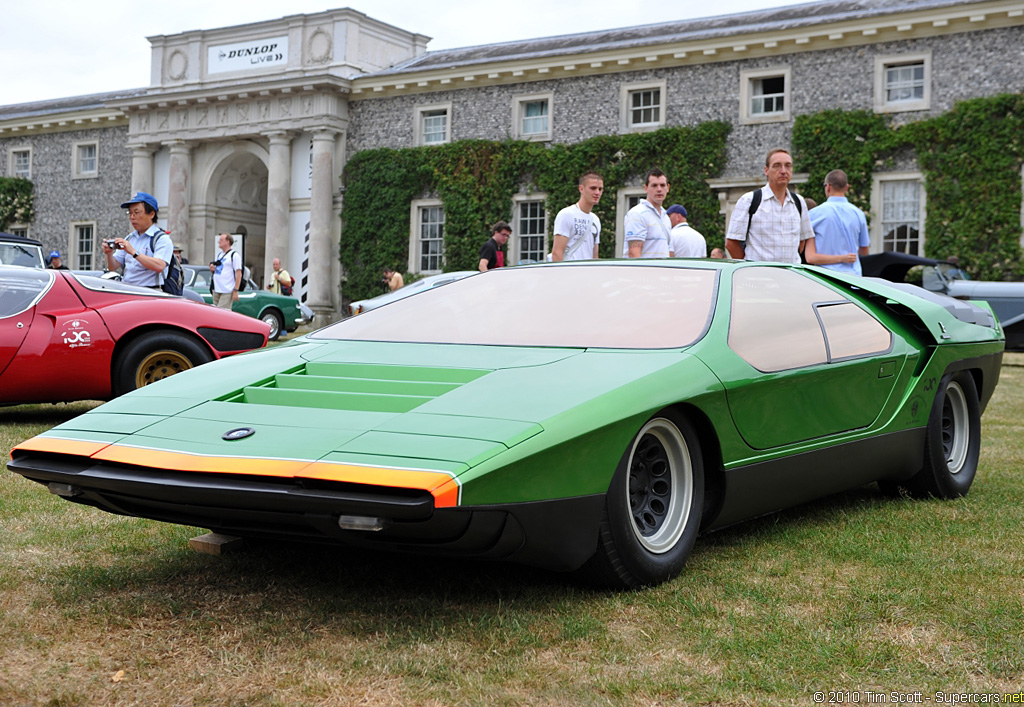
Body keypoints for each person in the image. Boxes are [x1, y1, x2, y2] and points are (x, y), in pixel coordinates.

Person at [725, 148, 813, 263]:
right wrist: (750, 267)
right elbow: (731, 243)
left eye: (788, 166)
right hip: (760, 277)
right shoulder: (749, 200)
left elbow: (801, 243)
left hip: (791, 276)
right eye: (777, 165)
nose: (783, 171)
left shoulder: (799, 202)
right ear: (766, 170)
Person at [805, 169, 870, 275]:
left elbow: (810, 257)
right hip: (854, 279)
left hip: (826, 277)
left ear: (828, 187)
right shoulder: (859, 214)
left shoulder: (813, 214)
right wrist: (844, 256)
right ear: (847, 187)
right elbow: (864, 251)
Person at [103, 192, 172, 289]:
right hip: (127, 290)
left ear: (152, 214)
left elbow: (160, 266)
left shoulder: (161, 239)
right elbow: (112, 267)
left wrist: (133, 252)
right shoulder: (130, 238)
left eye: (137, 212)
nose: (132, 217)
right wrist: (109, 253)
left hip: (150, 291)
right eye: (130, 213)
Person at [552, 172, 603, 261]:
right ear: (581, 189)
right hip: (570, 271)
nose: (597, 192)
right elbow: (557, 252)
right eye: (593, 188)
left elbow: (595, 256)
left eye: (600, 189)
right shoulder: (567, 214)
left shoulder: (595, 220)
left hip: (587, 272)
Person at [623, 169, 672, 258]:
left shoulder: (666, 217)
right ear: (646, 188)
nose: (659, 189)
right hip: (644, 271)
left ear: (668, 188)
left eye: (662, 185)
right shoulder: (637, 214)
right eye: (654, 185)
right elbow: (634, 253)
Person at [209, 233, 242, 309]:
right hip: (216, 289)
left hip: (227, 290)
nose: (219, 241)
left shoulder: (234, 255)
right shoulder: (219, 254)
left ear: (227, 241)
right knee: (215, 313)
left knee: (222, 314)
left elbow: (238, 273)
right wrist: (212, 269)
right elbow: (218, 271)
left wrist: (235, 290)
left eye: (221, 240)